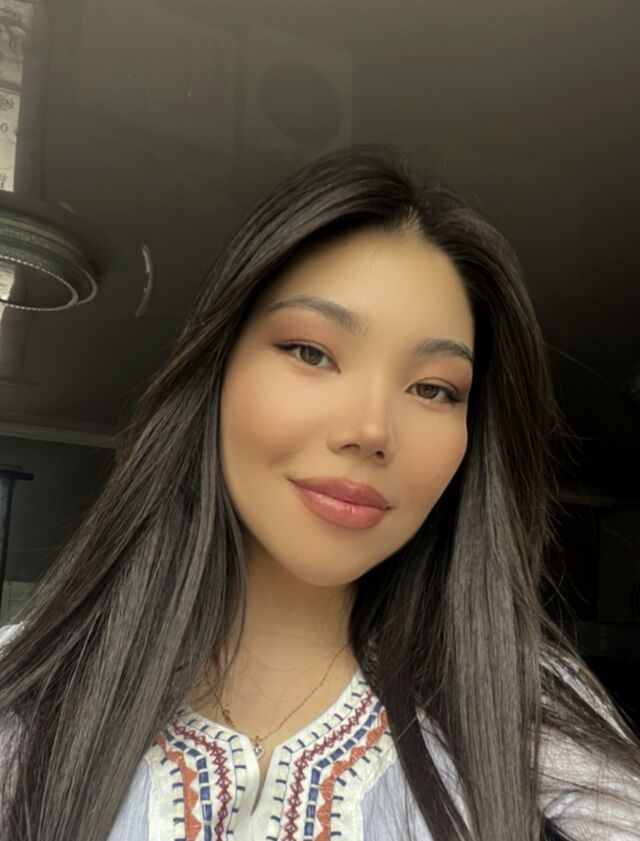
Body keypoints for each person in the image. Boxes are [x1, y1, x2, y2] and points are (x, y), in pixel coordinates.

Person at [0, 143, 639, 841]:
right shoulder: (22, 691)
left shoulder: (528, 716)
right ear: (215, 368)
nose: (371, 430)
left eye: (433, 388)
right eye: (311, 352)